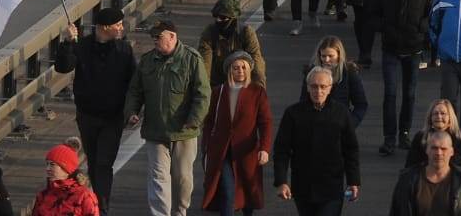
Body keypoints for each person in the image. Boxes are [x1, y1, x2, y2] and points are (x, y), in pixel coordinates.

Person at [52, 8, 136, 214]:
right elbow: (63, 67)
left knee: (104, 164)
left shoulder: (124, 50)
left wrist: (133, 110)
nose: (122, 28)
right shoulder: (83, 46)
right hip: (88, 116)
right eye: (118, 25)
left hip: (113, 118)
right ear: (106, 27)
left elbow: (134, 82)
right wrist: (68, 43)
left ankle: (102, 208)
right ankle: (95, 203)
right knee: (93, 160)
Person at [123, 20, 209, 216]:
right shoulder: (147, 61)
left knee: (182, 178)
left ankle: (180, 211)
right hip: (155, 130)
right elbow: (135, 91)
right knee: (158, 177)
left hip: (183, 131)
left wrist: (194, 119)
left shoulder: (191, 59)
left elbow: (202, 93)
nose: (155, 40)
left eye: (159, 37)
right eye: (153, 37)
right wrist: (131, 112)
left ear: (172, 36)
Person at [272, 67, 361, 216]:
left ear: (330, 88)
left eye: (323, 87)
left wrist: (354, 181)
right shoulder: (293, 113)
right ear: (307, 88)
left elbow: (351, 149)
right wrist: (281, 181)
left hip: (331, 187)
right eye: (314, 86)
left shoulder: (341, 113)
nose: (318, 91)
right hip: (303, 187)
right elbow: (282, 150)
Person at [200, 52, 272, 216]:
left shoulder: (257, 92)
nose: (240, 71)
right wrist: (206, 146)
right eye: (236, 68)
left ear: (249, 70)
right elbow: (209, 121)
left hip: (247, 151)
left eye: (243, 67)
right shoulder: (218, 92)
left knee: (247, 191)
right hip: (222, 151)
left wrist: (265, 148)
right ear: (229, 71)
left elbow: (265, 122)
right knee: (227, 190)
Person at [378, 0, 434, 156]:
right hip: (391, 49)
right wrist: (384, 28)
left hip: (413, 49)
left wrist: (423, 27)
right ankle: (389, 138)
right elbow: (375, 15)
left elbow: (433, 13)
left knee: (409, 94)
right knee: (390, 94)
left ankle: (404, 133)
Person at [386, 130, 461, 216]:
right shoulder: (407, 181)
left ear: (452, 152)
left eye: (443, 149)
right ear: (427, 150)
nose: (439, 153)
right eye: (434, 148)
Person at [198, 0, 267, 90]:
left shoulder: (246, 32)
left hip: (242, 82)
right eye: (216, 17)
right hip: (218, 83)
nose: (218, 20)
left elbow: (256, 60)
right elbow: (204, 63)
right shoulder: (209, 33)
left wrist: (259, 91)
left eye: (223, 18)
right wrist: (204, 91)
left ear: (233, 18)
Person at [302, 37, 368, 128]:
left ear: (339, 55)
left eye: (330, 56)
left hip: (340, 127)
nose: (326, 60)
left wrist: (350, 125)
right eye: (323, 56)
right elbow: (303, 102)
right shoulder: (311, 74)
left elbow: (361, 104)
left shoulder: (349, 73)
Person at [404, 101, 461, 176]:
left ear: (450, 117)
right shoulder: (420, 137)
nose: (439, 116)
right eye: (435, 113)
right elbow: (410, 166)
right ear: (430, 117)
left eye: (443, 113)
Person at [31, 144, 99, 216]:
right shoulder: (42, 196)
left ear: (67, 168)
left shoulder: (84, 196)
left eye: (52, 164)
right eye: (47, 164)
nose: (47, 168)